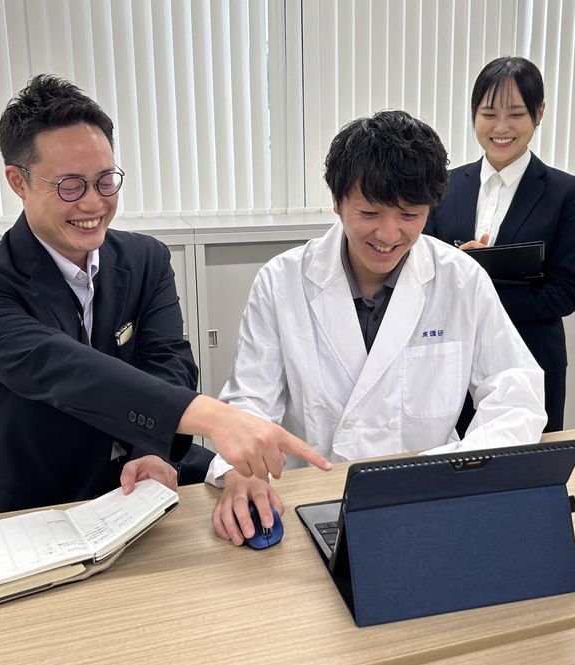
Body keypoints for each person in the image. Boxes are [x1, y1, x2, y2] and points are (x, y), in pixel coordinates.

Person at [0, 74, 329, 517]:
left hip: (136, 486)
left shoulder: (145, 259)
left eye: (105, 180)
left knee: (260, 517)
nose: (94, 203)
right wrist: (215, 417)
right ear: (19, 182)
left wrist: (153, 451)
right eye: (70, 186)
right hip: (33, 506)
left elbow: (169, 360)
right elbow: (65, 371)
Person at [206, 110, 547, 546]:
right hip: (313, 500)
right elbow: (251, 400)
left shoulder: (461, 279)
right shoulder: (281, 281)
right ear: (337, 202)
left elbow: (515, 395)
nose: (388, 234)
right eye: (369, 212)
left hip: (429, 498)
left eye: (409, 214)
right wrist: (241, 471)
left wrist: (463, 470)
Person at [424, 56, 575, 433]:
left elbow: (567, 292)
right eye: (488, 114)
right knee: (450, 459)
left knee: (528, 462)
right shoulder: (443, 187)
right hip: (453, 363)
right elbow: (421, 273)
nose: (501, 127)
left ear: (539, 113)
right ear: (473, 114)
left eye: (516, 113)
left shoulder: (566, 193)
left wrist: (478, 289)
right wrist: (455, 268)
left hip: (532, 359)